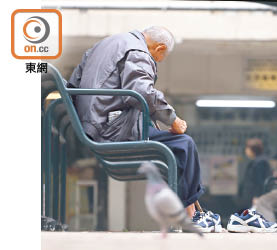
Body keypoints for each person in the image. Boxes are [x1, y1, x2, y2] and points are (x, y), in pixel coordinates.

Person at [68, 26, 205, 219]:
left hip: (93, 124)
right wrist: (172, 119)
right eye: (158, 59)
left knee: (172, 145)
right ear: (159, 48)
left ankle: (190, 210)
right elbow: (142, 91)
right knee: (184, 144)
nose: (156, 61)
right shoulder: (138, 51)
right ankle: (192, 215)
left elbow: (74, 82)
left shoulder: (106, 44)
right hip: (110, 129)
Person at [237, 138, 272, 210]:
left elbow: (260, 182)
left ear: (253, 149)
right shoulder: (256, 162)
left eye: (247, 148)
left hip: (256, 199)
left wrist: (257, 196)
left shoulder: (260, 163)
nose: (246, 151)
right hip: (251, 199)